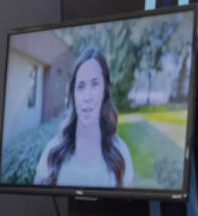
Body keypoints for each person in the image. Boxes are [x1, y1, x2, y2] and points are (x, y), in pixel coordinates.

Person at [34, 47, 135, 189]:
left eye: (94, 84)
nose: (87, 97)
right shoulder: (53, 151)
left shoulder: (121, 154)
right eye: (80, 86)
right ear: (73, 95)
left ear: (104, 92)